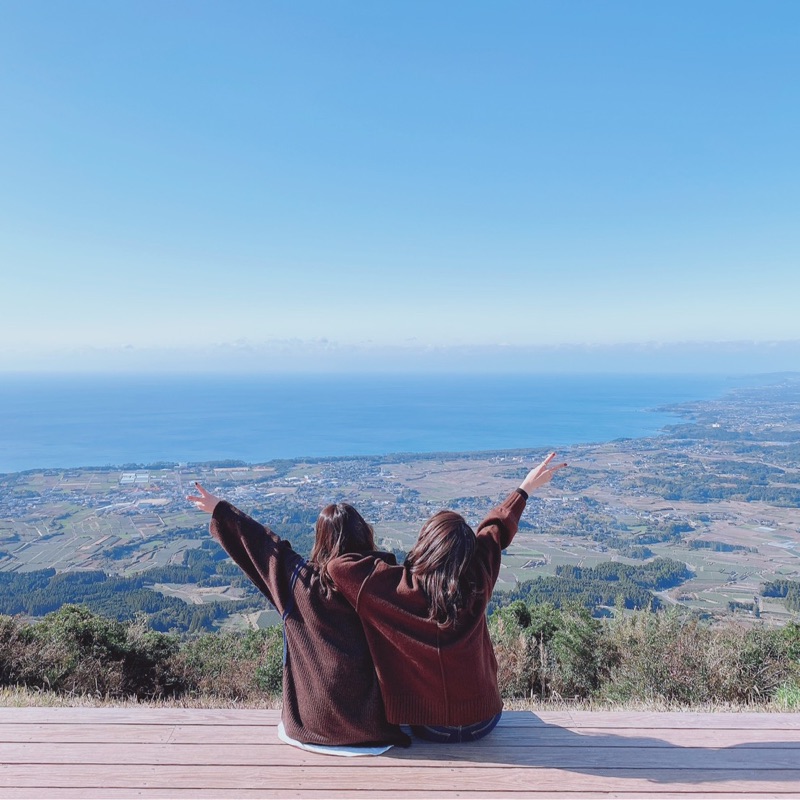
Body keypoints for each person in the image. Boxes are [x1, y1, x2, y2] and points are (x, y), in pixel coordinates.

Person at [327, 452, 566, 743]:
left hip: (428, 725)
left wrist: (389, 563)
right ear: (468, 554)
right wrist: (524, 489)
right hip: (485, 720)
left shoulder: (394, 588)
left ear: (426, 546)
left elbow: (337, 566)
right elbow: (494, 531)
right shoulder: (479, 578)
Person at [187, 484, 410, 752]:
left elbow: (265, 546)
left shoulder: (301, 584)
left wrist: (220, 510)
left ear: (321, 540)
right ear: (365, 535)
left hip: (311, 726)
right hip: (375, 728)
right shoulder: (386, 583)